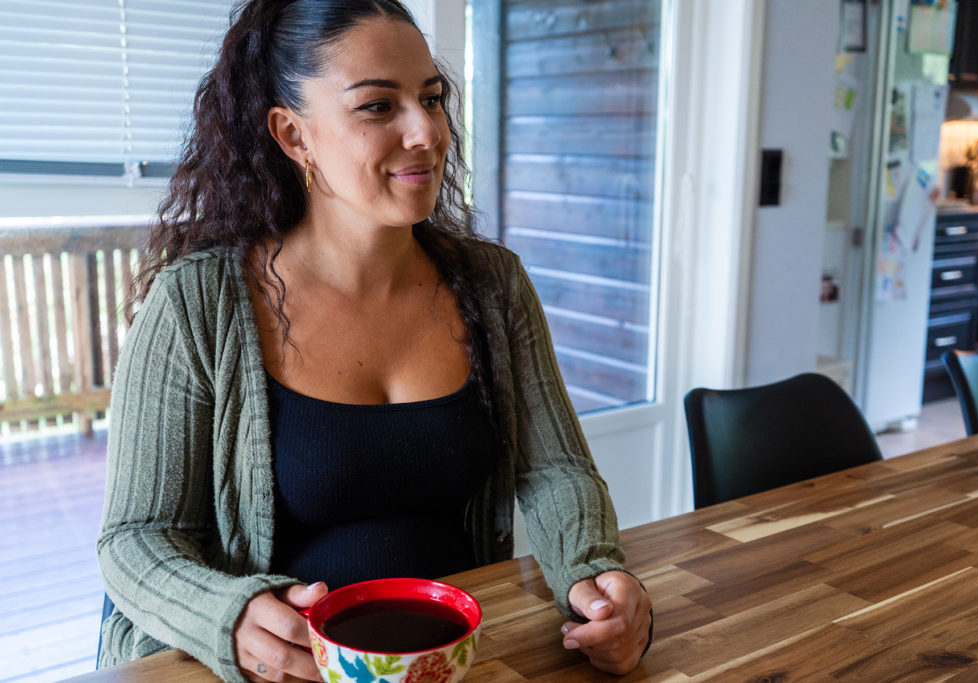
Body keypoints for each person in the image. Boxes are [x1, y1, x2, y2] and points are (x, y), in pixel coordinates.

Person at [96, 1, 652, 681]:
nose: (427, 131)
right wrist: (229, 615)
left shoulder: (493, 283)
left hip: (451, 663)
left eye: (432, 98)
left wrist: (596, 579)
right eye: (378, 107)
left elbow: (555, 469)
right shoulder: (196, 304)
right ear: (294, 134)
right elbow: (134, 539)